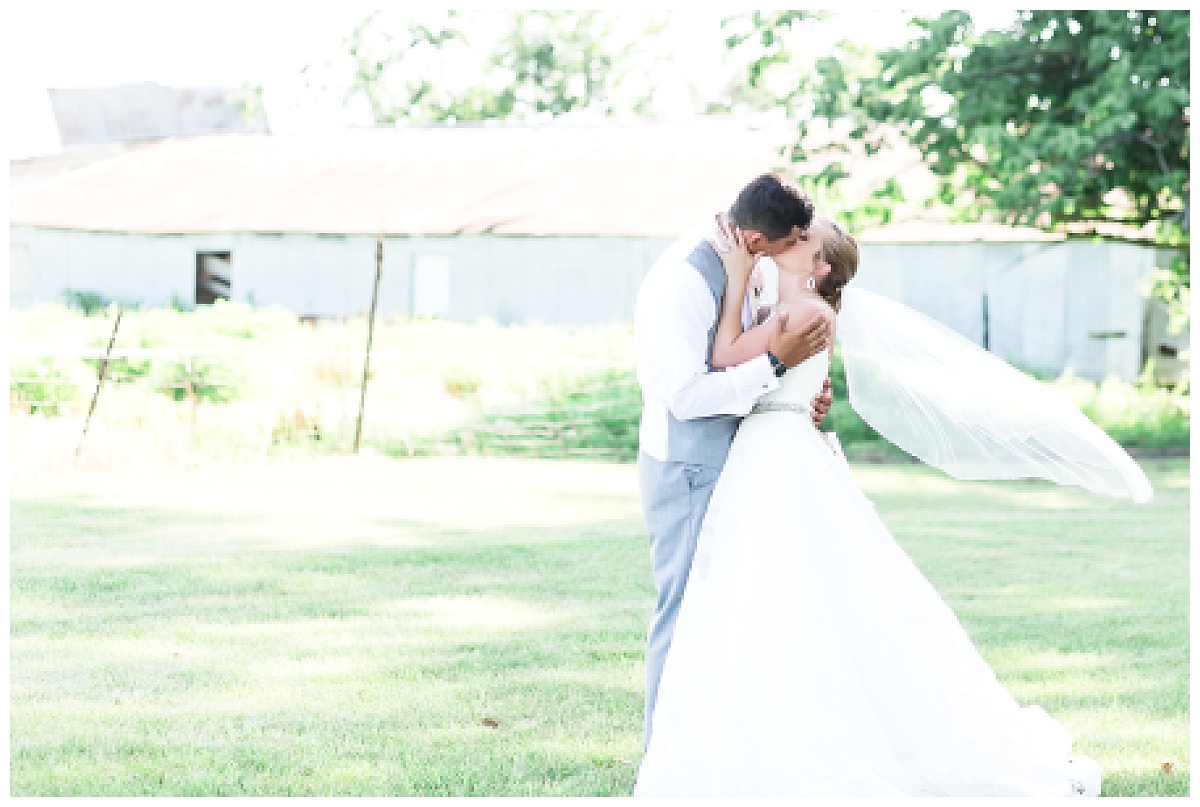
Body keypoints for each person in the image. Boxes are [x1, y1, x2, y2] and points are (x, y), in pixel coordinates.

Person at [631, 216, 1144, 796]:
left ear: (820, 266)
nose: (790, 244)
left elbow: (726, 358)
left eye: (804, 242)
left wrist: (733, 278)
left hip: (773, 457)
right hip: (767, 453)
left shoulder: (803, 313)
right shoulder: (789, 305)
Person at [633, 173, 833, 748]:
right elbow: (686, 396)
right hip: (688, 467)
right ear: (754, 241)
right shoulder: (684, 282)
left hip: (739, 459)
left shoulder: (747, 258)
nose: (798, 255)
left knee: (730, 610)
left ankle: (715, 747)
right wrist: (774, 366)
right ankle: (664, 754)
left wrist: (795, 393)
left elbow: (740, 348)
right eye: (790, 245)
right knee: (685, 608)